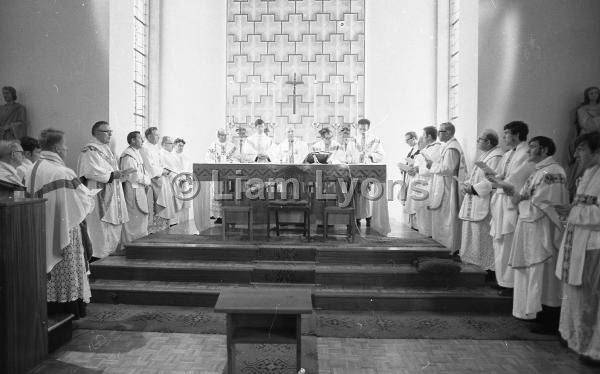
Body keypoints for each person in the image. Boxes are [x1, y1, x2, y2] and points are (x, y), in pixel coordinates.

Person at [29, 128, 95, 318]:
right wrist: (89, 199)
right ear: (57, 147)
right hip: (64, 229)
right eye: (65, 145)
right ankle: (69, 307)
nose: (66, 149)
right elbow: (81, 202)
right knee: (66, 266)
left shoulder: (32, 168)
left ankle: (50, 304)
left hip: (40, 227)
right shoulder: (62, 172)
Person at [508, 136, 568, 332]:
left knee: (544, 273)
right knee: (534, 271)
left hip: (542, 228)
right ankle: (534, 312)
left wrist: (521, 199)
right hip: (530, 226)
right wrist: (516, 197)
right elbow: (525, 196)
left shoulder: (553, 172)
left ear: (544, 149)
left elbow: (546, 204)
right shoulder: (539, 171)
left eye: (532, 147)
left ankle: (548, 317)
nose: (528, 151)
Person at [556, 131, 600, 361]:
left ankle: (593, 350)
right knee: (575, 295)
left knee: (591, 298)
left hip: (593, 246)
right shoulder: (588, 173)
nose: (576, 154)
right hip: (577, 243)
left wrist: (572, 212)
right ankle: (575, 339)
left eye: (582, 149)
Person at [487, 121, 536, 296]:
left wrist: (498, 181)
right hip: (501, 200)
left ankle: (511, 284)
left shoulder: (525, 153)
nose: (504, 137)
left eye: (506, 133)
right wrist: (492, 176)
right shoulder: (509, 153)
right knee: (499, 242)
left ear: (516, 135)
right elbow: (502, 174)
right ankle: (502, 280)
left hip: (511, 202)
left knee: (509, 241)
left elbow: (516, 179)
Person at [77, 121, 129, 259]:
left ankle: (109, 254)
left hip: (113, 190)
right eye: (107, 131)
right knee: (100, 227)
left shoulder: (106, 149)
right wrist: (113, 175)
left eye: (110, 131)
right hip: (99, 193)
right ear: (96, 133)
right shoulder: (90, 150)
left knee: (111, 226)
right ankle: (97, 257)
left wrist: (120, 174)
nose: (110, 134)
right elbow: (90, 171)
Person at [458, 130, 504, 272]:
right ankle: (473, 265)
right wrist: (467, 183)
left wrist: (474, 189)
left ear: (489, 142)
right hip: (475, 198)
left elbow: (494, 181)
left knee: (482, 237)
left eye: (480, 139)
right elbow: (476, 176)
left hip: (484, 200)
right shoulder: (486, 155)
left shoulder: (496, 157)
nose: (478, 141)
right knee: (473, 235)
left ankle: (486, 268)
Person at [429, 122, 467, 252]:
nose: (438, 134)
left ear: (449, 133)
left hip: (449, 187)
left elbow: (448, 169)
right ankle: (441, 245)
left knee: (447, 218)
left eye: (441, 131)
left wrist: (431, 165)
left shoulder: (452, 148)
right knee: (442, 217)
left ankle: (447, 247)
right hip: (444, 185)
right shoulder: (448, 145)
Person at [567, 86, 600, 199]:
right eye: (591, 93)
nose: (594, 95)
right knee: (581, 165)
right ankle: (574, 191)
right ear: (587, 95)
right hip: (586, 139)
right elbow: (587, 124)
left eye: (596, 93)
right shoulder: (582, 109)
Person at [120, 131, 151, 246]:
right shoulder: (128, 155)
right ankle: (131, 244)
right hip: (132, 189)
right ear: (133, 140)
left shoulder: (136, 153)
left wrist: (147, 179)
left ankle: (140, 243)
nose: (142, 141)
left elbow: (143, 171)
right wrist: (147, 180)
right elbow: (133, 175)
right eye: (140, 138)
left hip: (139, 189)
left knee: (141, 217)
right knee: (133, 217)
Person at [410, 126, 442, 237]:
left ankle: (428, 235)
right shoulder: (427, 148)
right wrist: (414, 168)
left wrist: (418, 168)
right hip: (420, 183)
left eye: (423, 135)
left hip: (429, 183)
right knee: (420, 210)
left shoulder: (438, 148)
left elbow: (431, 166)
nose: (422, 137)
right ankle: (423, 234)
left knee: (426, 211)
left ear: (429, 136)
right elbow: (420, 163)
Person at [354, 118, 384, 227]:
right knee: (356, 194)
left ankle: (368, 217)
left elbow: (380, 155)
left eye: (364, 129)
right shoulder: (354, 140)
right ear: (358, 128)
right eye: (360, 128)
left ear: (369, 128)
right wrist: (357, 156)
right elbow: (348, 155)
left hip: (368, 171)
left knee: (367, 194)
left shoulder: (375, 140)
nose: (362, 130)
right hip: (356, 170)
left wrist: (370, 155)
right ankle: (357, 217)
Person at [140, 126, 170, 232]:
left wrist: (164, 169)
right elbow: (149, 167)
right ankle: (154, 229)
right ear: (149, 136)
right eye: (156, 135)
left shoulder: (154, 147)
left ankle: (162, 227)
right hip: (153, 180)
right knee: (155, 205)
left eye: (158, 135)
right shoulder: (144, 148)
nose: (158, 137)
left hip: (160, 178)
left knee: (163, 203)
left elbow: (159, 163)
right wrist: (162, 171)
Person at [206, 128, 237, 223]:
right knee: (217, 194)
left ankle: (230, 215)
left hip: (229, 174)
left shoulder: (232, 146)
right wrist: (215, 163)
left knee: (229, 194)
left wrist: (232, 162)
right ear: (218, 135)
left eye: (225, 135)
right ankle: (219, 216)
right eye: (221, 135)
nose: (223, 137)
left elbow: (237, 158)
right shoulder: (213, 146)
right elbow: (208, 158)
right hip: (217, 174)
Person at [160, 136, 183, 226]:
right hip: (168, 181)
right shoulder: (161, 154)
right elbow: (164, 169)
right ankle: (170, 222)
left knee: (175, 201)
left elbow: (176, 168)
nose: (172, 146)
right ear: (164, 144)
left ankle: (174, 221)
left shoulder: (170, 154)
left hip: (175, 180)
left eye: (172, 143)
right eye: (170, 143)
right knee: (171, 202)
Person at [400, 131, 419, 229]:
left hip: (416, 178)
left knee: (413, 201)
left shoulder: (420, 149)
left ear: (414, 138)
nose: (406, 142)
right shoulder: (412, 149)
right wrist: (403, 167)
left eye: (407, 140)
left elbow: (418, 164)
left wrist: (409, 167)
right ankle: (411, 224)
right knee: (409, 200)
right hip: (409, 176)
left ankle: (416, 225)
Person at [174, 138, 192, 224]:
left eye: (182, 146)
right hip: (176, 182)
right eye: (179, 145)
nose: (181, 147)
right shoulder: (171, 156)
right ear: (174, 145)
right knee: (177, 202)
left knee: (186, 203)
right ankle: (176, 222)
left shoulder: (186, 157)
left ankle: (185, 221)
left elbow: (188, 169)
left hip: (185, 182)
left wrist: (188, 177)